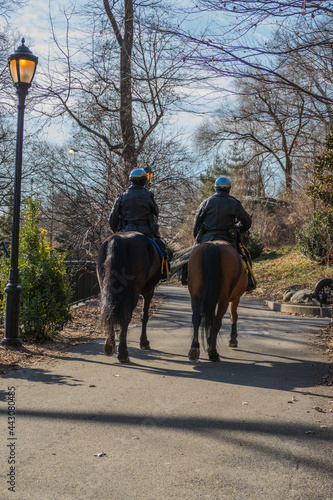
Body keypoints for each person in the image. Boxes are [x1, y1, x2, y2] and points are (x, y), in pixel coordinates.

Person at [193, 176, 256, 291]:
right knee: (245, 257)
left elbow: (196, 222)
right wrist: (238, 230)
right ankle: (249, 282)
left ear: (215, 189)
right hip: (228, 238)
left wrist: (196, 235)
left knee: (192, 256)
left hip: (206, 237)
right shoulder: (234, 203)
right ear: (229, 189)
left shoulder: (205, 202)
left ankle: (187, 276)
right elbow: (247, 221)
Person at [109, 168, 173, 273]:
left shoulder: (121, 196)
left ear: (131, 180)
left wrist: (116, 231)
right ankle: (164, 273)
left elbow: (112, 218)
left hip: (124, 231)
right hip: (145, 232)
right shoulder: (149, 195)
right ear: (144, 181)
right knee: (164, 251)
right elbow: (156, 213)